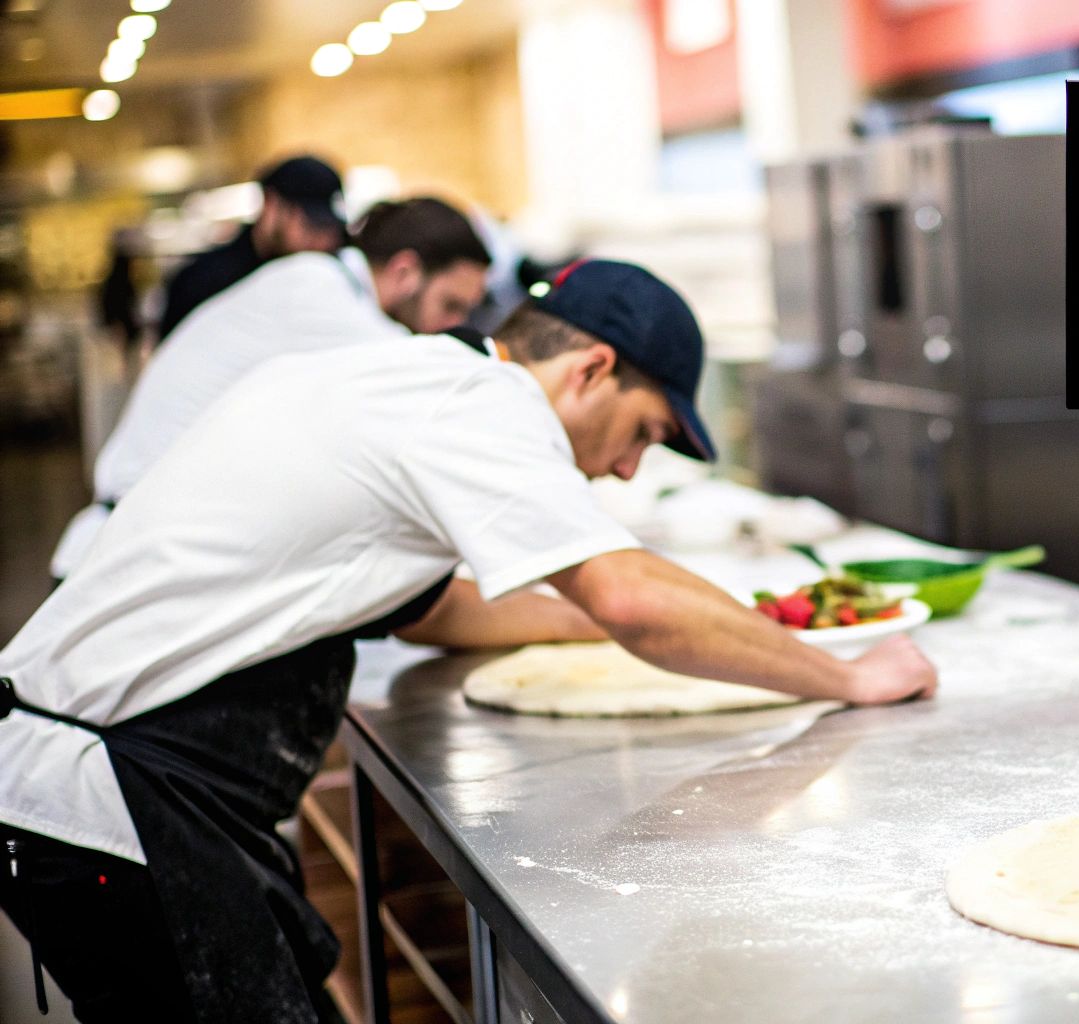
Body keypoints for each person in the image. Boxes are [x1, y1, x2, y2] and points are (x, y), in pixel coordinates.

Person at [0, 259, 938, 1023]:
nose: (626, 468)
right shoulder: (480, 405)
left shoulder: (415, 381)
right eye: (644, 434)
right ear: (591, 371)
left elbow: (442, 609)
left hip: (140, 792)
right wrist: (846, 678)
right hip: (107, 801)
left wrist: (683, 621)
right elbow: (629, 599)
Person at [50, 196, 492, 580]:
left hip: (147, 549)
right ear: (405, 271)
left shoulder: (326, 286)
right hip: (122, 562)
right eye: (450, 306)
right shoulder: (318, 293)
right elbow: (442, 392)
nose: (452, 327)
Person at [156, 155, 347, 341]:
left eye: (331, 230)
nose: (323, 241)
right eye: (311, 226)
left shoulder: (335, 278)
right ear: (271, 205)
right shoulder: (202, 284)